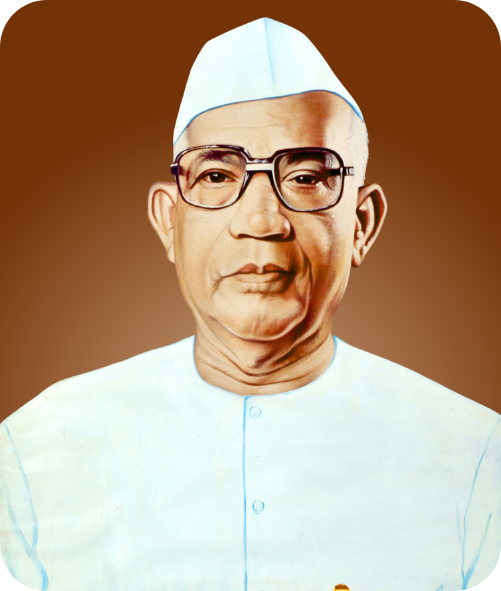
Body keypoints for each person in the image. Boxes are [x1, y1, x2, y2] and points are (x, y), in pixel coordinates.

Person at [0, 17, 499, 591]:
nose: (260, 221)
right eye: (217, 175)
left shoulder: (476, 460)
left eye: (306, 177)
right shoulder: (35, 451)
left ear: (362, 224)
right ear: (168, 220)